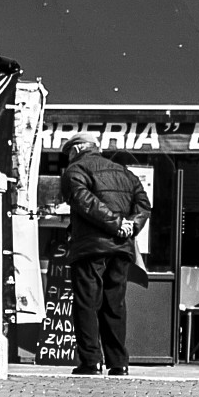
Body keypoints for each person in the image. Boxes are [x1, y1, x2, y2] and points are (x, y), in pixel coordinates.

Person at [60, 135, 151, 376]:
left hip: (91, 247)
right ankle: (118, 362)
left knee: (87, 304)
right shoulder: (124, 172)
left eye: (69, 152)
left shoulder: (75, 170)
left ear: (78, 149)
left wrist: (116, 224)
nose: (68, 158)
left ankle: (91, 361)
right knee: (114, 304)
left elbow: (85, 202)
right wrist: (130, 225)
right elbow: (144, 204)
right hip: (121, 247)